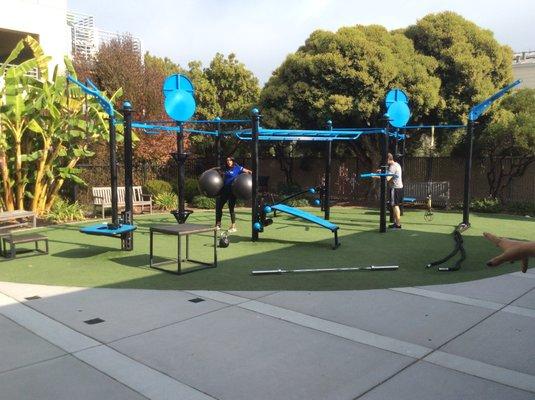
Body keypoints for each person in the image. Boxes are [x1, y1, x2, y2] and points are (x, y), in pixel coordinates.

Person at [215, 157, 251, 232]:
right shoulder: (224, 168)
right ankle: (218, 224)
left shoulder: (237, 168)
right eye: (227, 160)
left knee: (231, 209)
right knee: (219, 207)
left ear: (233, 161)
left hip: (233, 192)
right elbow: (217, 169)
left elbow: (247, 171)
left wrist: (251, 174)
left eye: (230, 160)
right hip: (224, 191)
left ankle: (233, 226)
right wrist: (209, 170)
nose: (228, 162)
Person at [376, 153, 404, 229]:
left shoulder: (393, 167)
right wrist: (382, 171)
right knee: (394, 205)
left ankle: (398, 224)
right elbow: (389, 172)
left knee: (395, 206)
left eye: (385, 160)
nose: (384, 162)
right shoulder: (396, 164)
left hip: (395, 188)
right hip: (399, 187)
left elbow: (387, 178)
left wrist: (376, 176)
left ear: (388, 159)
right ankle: (396, 223)